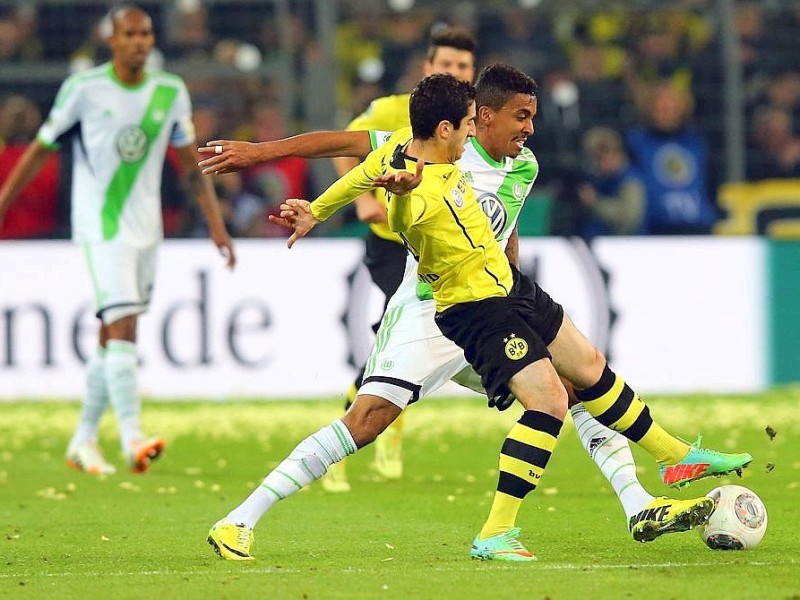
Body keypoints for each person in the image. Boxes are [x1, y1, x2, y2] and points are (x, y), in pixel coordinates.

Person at [202, 68, 750, 562]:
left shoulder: (523, 166)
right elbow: (348, 151)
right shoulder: (427, 152)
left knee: (569, 390)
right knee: (367, 422)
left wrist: (512, 287)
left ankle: (639, 503)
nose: (529, 130)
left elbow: (504, 228)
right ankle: (240, 519)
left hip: (494, 305)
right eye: (520, 117)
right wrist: (262, 156)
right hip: (428, 311)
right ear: (475, 121)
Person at [0, 5, 236, 475]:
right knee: (124, 323)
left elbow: (190, 164)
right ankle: (132, 438)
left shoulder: (170, 91)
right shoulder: (83, 89)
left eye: (145, 34)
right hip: (100, 226)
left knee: (113, 335)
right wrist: (3, 202)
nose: (139, 42)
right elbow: (40, 149)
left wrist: (215, 224)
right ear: (113, 39)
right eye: (130, 34)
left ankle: (83, 440)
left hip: (147, 228)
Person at [327, 26, 477, 489]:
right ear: (428, 68)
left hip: (441, 251)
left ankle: (366, 425)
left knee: (389, 343)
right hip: (392, 243)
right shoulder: (395, 109)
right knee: (393, 340)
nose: (455, 72)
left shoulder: (474, 120)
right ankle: (373, 429)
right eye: (447, 64)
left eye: (464, 66)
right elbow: (344, 146)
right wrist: (362, 199)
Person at [625, 81, 718, 235]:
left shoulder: (697, 142)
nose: (666, 112)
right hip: (654, 230)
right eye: (661, 108)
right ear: (650, 109)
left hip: (697, 228)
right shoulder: (635, 143)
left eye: (672, 107)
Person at [576, 126, 645, 238]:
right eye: (599, 155)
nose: (607, 158)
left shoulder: (629, 180)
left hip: (626, 244)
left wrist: (595, 202)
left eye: (612, 152)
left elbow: (629, 218)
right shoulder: (590, 180)